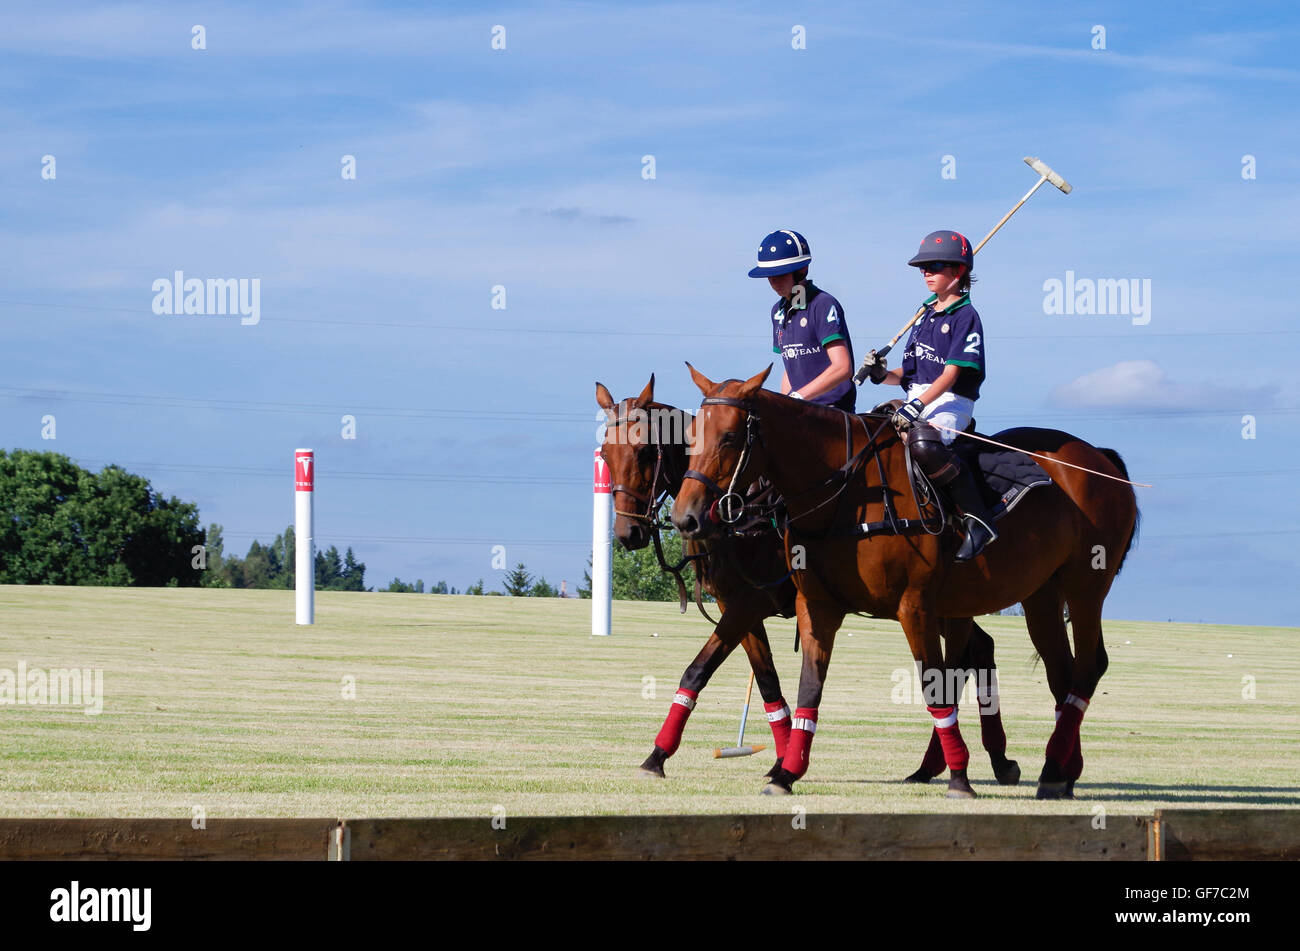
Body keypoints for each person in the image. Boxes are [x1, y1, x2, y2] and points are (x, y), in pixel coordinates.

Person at [861, 230, 997, 561]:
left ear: (958, 271)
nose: (926, 273)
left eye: (934, 266)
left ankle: (978, 521)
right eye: (923, 267)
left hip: (951, 403)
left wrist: (917, 406)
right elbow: (907, 377)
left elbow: (950, 375)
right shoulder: (924, 315)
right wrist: (881, 374)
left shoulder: (966, 316)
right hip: (916, 397)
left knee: (924, 442)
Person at [748, 230, 855, 412]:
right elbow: (790, 364)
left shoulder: (823, 304)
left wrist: (797, 397)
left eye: (780, 274)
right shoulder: (777, 311)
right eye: (769, 276)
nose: (773, 281)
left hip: (832, 411)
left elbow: (843, 367)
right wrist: (785, 403)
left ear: (801, 270)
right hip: (802, 412)